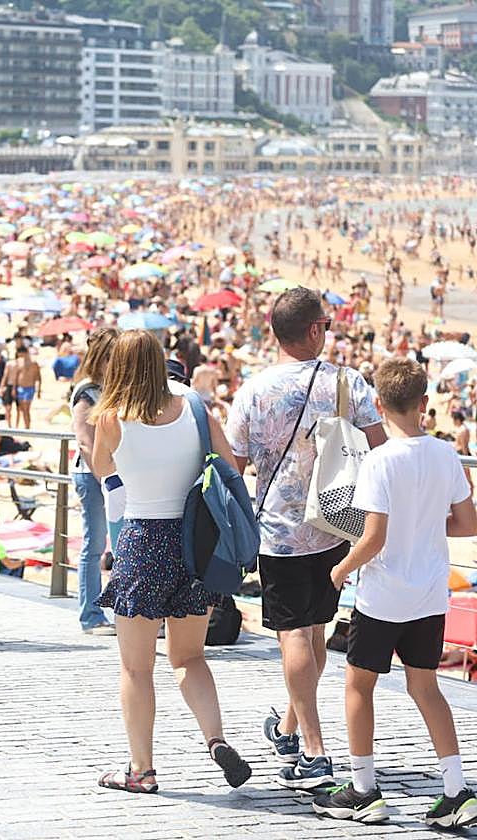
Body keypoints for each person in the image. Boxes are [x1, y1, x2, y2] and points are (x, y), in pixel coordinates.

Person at [226, 287, 385, 789]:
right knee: (313, 633)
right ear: (315, 329)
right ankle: (296, 734)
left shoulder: (255, 389)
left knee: (296, 634)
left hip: (278, 528)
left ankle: (309, 746)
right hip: (336, 523)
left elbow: (235, 462)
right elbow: (379, 450)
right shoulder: (347, 381)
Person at [312, 358, 477, 827]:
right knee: (425, 687)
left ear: (379, 404)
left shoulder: (379, 461)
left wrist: (340, 569)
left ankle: (363, 789)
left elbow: (374, 538)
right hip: (428, 592)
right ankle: (455, 790)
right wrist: (425, 524)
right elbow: (468, 522)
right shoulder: (445, 454)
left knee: (358, 685)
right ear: (424, 404)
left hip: (383, 595)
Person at [90, 330, 250, 794]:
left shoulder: (111, 417)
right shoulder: (195, 407)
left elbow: (104, 469)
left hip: (143, 540)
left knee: (136, 668)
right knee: (190, 656)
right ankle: (215, 739)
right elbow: (230, 468)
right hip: (193, 541)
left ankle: (141, 770)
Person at [69, 327, 118, 636]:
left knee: (110, 542)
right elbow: (85, 442)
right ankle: (90, 614)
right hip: (93, 476)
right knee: (95, 543)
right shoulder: (87, 391)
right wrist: (105, 479)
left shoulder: (105, 388)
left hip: (108, 474)